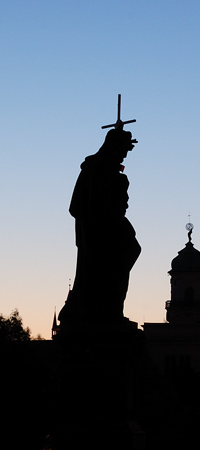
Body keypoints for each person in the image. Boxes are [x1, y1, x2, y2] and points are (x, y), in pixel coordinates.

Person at [59, 127, 141, 328]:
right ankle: (106, 310)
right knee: (111, 263)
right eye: (123, 150)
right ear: (114, 147)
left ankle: (110, 309)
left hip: (103, 226)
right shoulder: (98, 168)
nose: (124, 155)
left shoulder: (98, 168)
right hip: (102, 229)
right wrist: (103, 214)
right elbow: (80, 204)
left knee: (125, 254)